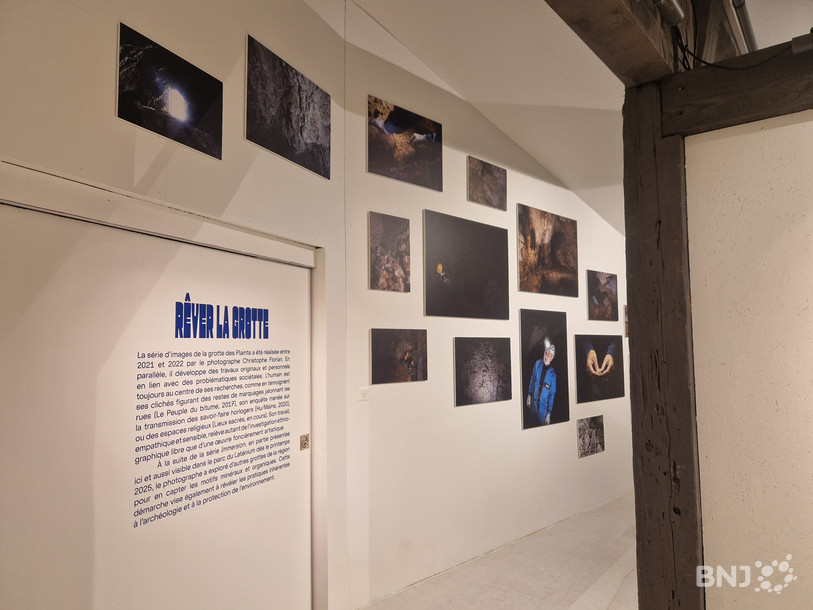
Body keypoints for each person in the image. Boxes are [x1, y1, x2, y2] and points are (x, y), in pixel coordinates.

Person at [526, 343, 557, 425]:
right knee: (530, 425)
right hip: (533, 404)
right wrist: (529, 395)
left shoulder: (552, 375)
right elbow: (533, 379)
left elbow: (552, 394)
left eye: (549, 354)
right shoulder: (537, 364)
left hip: (543, 410)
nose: (546, 356)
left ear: (552, 358)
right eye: (545, 352)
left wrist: (549, 414)